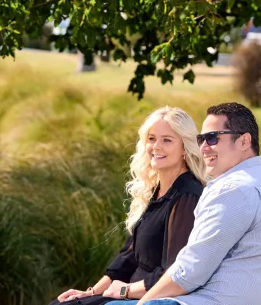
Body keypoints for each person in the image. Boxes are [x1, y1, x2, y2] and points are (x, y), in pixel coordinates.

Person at [123, 102, 261, 305]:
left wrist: (141, 302)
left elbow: (189, 273)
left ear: (244, 141)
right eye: (201, 139)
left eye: (212, 138)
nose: (203, 147)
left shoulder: (233, 190)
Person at [50, 107, 209, 305]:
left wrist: (125, 291)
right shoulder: (156, 190)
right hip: (126, 294)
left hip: (150, 299)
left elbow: (174, 271)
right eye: (152, 139)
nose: (156, 146)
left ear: (185, 147)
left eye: (167, 140)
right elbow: (128, 256)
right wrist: (90, 292)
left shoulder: (187, 195)